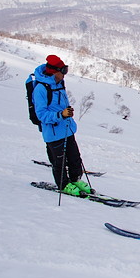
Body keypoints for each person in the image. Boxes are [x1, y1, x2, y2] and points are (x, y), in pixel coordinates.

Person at [32, 55, 92, 196]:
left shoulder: (59, 84)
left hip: (66, 128)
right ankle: (63, 184)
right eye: (63, 71)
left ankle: (75, 180)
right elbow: (41, 115)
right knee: (59, 161)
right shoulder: (41, 89)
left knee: (75, 158)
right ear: (53, 71)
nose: (65, 74)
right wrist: (61, 114)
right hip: (53, 132)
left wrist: (67, 113)